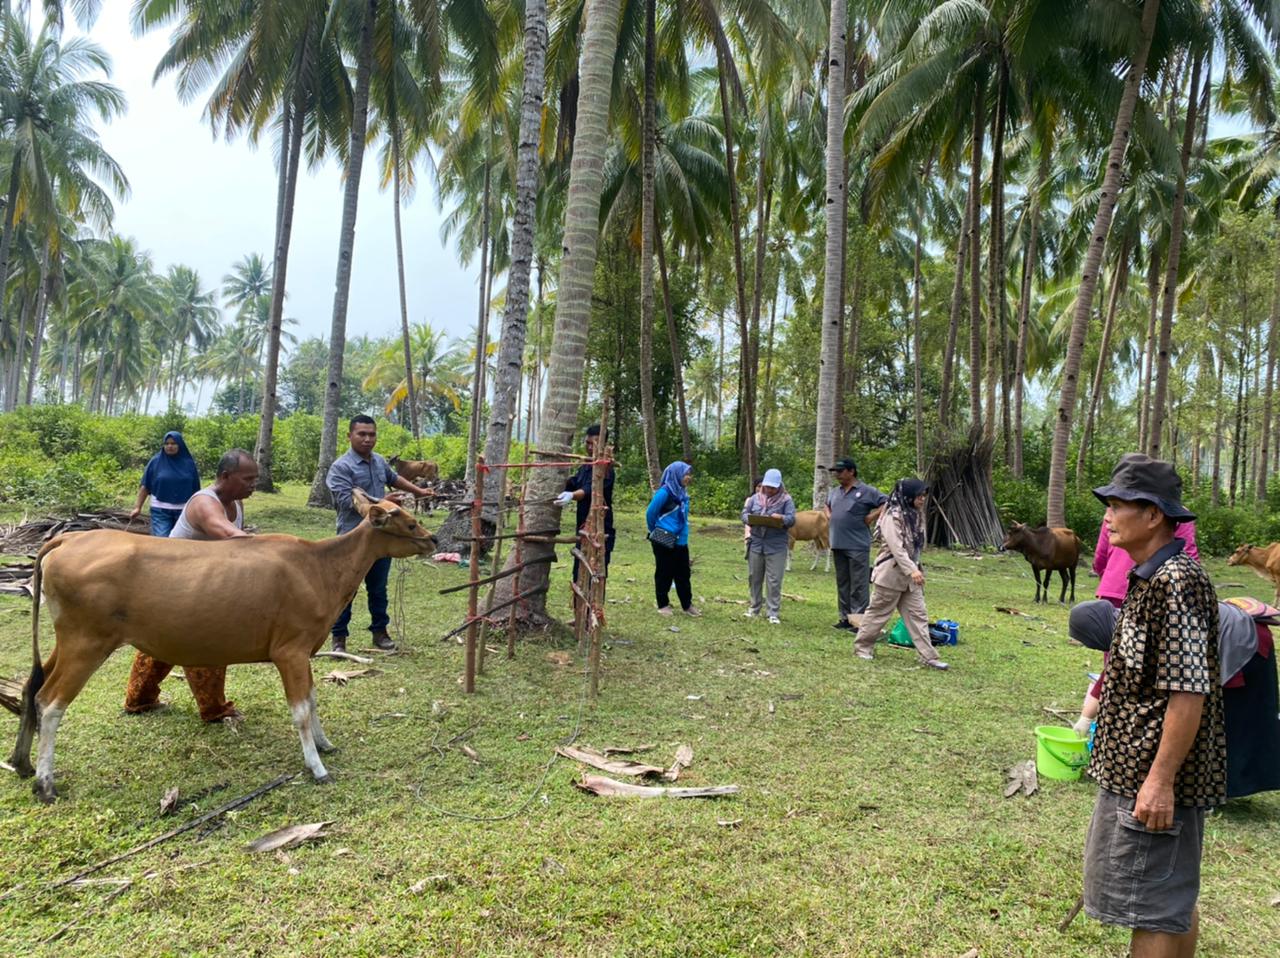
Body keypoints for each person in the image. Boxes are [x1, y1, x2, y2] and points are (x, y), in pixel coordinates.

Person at [1083, 453, 1226, 956]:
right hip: (1137, 770)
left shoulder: (1175, 582)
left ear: (1153, 515)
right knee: (1169, 897)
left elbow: (1188, 691)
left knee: (1152, 908)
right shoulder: (1153, 575)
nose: (1107, 516)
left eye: (1118, 505)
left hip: (1148, 773)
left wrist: (1160, 781)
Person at [1070, 596, 1280, 801]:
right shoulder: (1125, 623)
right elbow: (1110, 676)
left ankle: (1216, 791)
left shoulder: (1144, 630)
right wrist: (1085, 720)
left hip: (1242, 642)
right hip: (1222, 636)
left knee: (1225, 718)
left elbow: (1175, 692)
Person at [123, 449, 258, 723]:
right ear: (225, 476)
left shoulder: (236, 503)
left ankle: (140, 699)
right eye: (247, 479)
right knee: (204, 642)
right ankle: (214, 709)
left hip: (201, 586)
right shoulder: (204, 503)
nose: (253, 485)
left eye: (255, 479)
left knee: (161, 641)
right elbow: (229, 535)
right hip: (177, 585)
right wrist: (275, 548)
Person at [326, 415, 434, 653]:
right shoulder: (341, 467)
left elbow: (394, 478)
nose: (367, 439)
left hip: (383, 539)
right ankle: (339, 638)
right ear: (350, 436)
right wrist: (384, 501)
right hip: (353, 539)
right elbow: (345, 501)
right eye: (362, 434)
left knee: (378, 588)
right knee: (347, 589)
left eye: (371, 434)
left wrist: (418, 491)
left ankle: (380, 633)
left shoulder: (378, 461)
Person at [852, 479, 948, 670]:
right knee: (878, 614)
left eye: (923, 496)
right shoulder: (892, 516)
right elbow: (897, 548)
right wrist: (912, 570)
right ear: (908, 496)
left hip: (911, 578)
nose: (922, 499)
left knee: (918, 615)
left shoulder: (916, 515)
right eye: (919, 495)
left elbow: (916, 547)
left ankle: (928, 656)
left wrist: (916, 569)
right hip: (891, 574)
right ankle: (863, 647)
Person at [826, 457, 887, 630]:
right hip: (838, 542)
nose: (837, 475)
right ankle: (845, 617)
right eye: (836, 472)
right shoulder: (835, 492)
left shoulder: (866, 490)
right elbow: (826, 505)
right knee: (843, 582)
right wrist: (829, 515)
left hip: (857, 544)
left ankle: (859, 620)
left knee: (859, 584)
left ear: (851, 471)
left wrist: (872, 516)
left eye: (840, 471)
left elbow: (887, 502)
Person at [554, 424, 616, 588]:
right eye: (587, 443)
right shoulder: (586, 466)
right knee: (579, 573)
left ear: (602, 444)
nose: (589, 447)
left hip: (601, 529)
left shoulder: (606, 469)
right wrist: (560, 484)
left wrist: (572, 495)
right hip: (583, 527)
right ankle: (579, 604)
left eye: (593, 444)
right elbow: (575, 482)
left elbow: (590, 489)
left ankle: (592, 605)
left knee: (596, 574)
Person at [1093, 516, 1200, 607]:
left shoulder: (1116, 509)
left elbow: (1100, 557)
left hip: (1114, 588)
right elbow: (1188, 555)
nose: (1107, 516)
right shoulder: (1178, 514)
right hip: (1157, 592)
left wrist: (1109, 579)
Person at [645, 461, 699, 617]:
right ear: (676, 475)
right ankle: (663, 604)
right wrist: (656, 530)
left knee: (683, 573)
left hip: (681, 539)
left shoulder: (682, 493)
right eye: (685, 474)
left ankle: (687, 605)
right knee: (664, 572)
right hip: (664, 538)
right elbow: (650, 513)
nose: (688, 477)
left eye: (689, 474)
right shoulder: (665, 492)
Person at [742, 468, 796, 624]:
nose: (769, 490)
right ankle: (754, 608)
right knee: (754, 577)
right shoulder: (754, 499)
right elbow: (744, 514)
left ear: (779, 486)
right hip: (756, 543)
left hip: (776, 545)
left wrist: (781, 518)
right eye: (767, 486)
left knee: (774, 579)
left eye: (773, 487)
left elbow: (792, 519)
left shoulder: (786, 500)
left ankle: (773, 612)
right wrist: (750, 519)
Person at [129, 431, 201, 538]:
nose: (169, 446)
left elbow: (196, 489)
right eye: (167, 444)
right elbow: (145, 486)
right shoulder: (155, 462)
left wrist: (198, 509)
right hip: (160, 509)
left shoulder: (189, 464)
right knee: (162, 539)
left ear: (180, 445)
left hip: (183, 510)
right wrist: (137, 507)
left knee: (181, 542)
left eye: (173, 443)